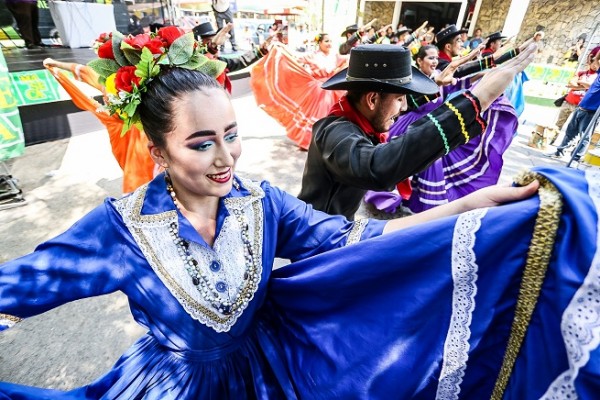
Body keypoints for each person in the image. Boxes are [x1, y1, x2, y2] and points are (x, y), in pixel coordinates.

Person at [6, 19, 586, 397]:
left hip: (267, 377)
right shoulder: (121, 229)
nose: (225, 157)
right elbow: (20, 284)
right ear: (157, 149)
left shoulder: (264, 204)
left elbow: (363, 240)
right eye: (200, 142)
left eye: (231, 134)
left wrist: (476, 206)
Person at [298, 43, 536, 219]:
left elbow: (398, 108)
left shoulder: (360, 118)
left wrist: (440, 85)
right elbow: (376, 168)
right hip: (315, 240)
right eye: (400, 98)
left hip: (336, 229)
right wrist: (476, 100)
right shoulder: (334, 132)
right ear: (371, 99)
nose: (403, 107)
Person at [250, 35, 348, 150]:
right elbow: (294, 58)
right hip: (318, 90)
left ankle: (329, 139)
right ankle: (312, 140)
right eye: (326, 41)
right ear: (320, 43)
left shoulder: (335, 56)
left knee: (333, 115)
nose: (329, 44)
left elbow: (348, 59)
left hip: (332, 89)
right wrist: (281, 48)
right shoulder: (313, 56)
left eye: (330, 41)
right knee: (318, 116)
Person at [547, 57, 600, 161]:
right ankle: (560, 151)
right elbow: (597, 59)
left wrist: (583, 84)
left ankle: (576, 158)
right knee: (570, 132)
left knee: (584, 136)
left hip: (592, 112)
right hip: (581, 107)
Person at [554, 56, 599, 136]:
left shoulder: (597, 77)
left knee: (574, 127)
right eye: (594, 63)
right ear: (590, 63)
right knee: (559, 123)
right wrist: (583, 85)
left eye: (597, 64)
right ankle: (551, 139)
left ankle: (569, 144)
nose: (595, 66)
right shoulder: (581, 73)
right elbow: (571, 83)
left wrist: (580, 82)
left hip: (580, 106)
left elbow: (591, 86)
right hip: (569, 101)